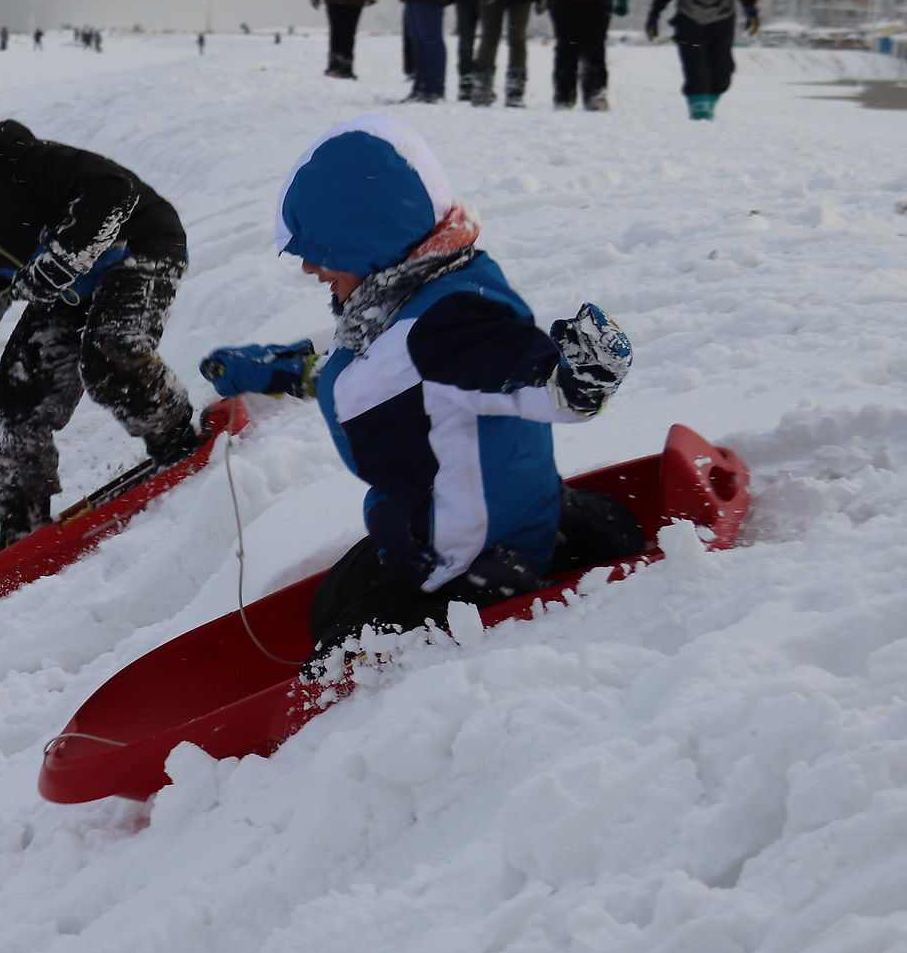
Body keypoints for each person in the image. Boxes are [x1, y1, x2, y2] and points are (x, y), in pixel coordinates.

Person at [198, 115, 638, 655]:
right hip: (441, 513)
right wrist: (275, 371)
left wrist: (575, 380)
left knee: (346, 644)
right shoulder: (399, 297)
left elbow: (514, 366)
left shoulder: (446, 322)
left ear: (369, 240)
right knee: (327, 607)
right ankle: (551, 528)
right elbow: (381, 379)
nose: (311, 267)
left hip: (468, 544)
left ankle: (503, 585)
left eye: (324, 250)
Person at [0, 61, 197, 549]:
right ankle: (22, 524)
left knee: (110, 353)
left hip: (139, 251)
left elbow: (116, 192)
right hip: (66, 290)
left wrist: (65, 255)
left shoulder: (24, 164)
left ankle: (176, 441)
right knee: (11, 410)